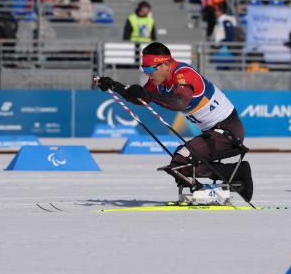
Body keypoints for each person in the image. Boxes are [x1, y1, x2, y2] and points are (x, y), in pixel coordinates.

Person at [96, 42, 253, 202]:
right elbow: (142, 98)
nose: (147, 74)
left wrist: (147, 94)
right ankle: (231, 176)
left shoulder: (184, 73)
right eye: (144, 70)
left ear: (164, 64)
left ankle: (222, 182)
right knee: (179, 164)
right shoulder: (159, 81)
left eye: (149, 69)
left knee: (181, 161)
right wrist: (116, 86)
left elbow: (179, 102)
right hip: (213, 132)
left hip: (228, 131)